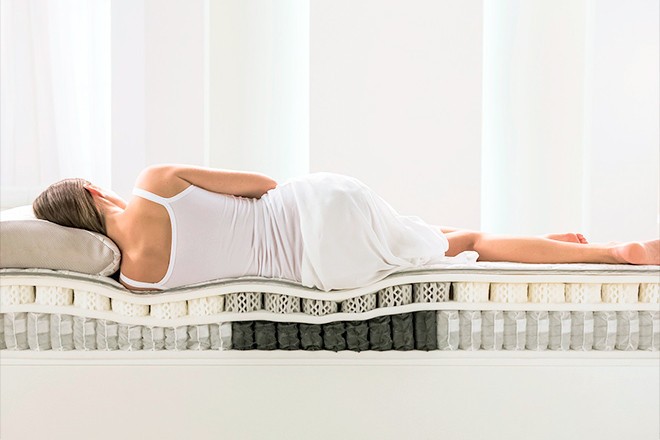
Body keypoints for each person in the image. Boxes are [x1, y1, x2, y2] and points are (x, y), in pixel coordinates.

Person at [32, 164, 660, 291]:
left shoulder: (134, 279)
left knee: (451, 243)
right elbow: (264, 184)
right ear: (93, 192)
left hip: (324, 269)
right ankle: (611, 251)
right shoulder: (155, 182)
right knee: (461, 238)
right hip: (320, 209)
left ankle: (564, 246)